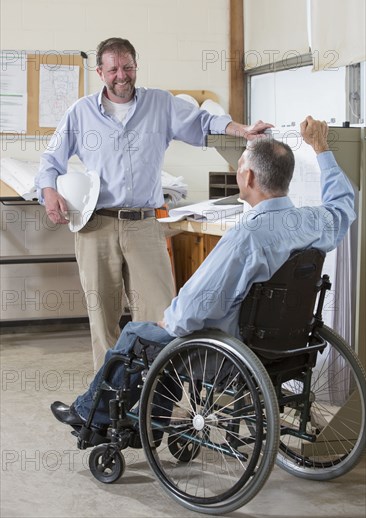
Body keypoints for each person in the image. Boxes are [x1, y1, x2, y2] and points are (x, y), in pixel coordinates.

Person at [51, 115, 356, 430]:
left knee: (137, 335)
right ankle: (153, 419)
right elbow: (344, 206)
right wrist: (321, 147)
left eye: (239, 166)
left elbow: (196, 307)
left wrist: (170, 319)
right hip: (288, 348)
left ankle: (91, 416)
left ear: (248, 177)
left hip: (229, 353)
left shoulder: (247, 236)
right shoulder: (312, 221)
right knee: (166, 334)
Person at [35, 37, 273, 371]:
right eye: (114, 68)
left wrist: (242, 129)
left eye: (128, 66)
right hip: (95, 226)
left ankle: (155, 399)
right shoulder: (81, 113)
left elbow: (204, 123)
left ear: (136, 66)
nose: (122, 75)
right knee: (103, 320)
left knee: (162, 315)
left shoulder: (160, 104)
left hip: (145, 224)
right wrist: (48, 191)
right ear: (100, 71)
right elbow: (50, 160)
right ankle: (108, 405)